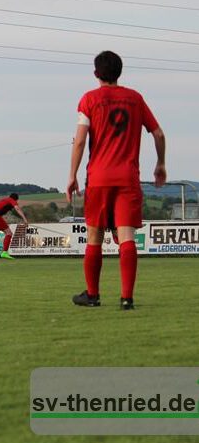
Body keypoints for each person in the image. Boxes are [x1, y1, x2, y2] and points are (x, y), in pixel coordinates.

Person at [67, 50, 166, 310]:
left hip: (98, 178)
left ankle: (92, 294)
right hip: (127, 178)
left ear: (96, 73)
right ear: (119, 72)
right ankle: (126, 298)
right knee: (127, 237)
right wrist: (160, 164)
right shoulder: (135, 99)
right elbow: (158, 134)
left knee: (94, 236)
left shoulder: (89, 99)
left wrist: (72, 175)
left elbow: (79, 141)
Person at [0, 193, 28, 259]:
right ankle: (4, 253)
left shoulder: (4, 200)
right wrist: (25, 219)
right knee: (9, 233)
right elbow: (17, 209)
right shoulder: (11, 200)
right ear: (15, 199)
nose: (16, 202)